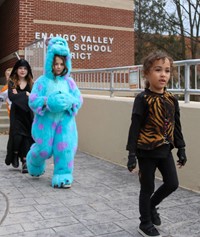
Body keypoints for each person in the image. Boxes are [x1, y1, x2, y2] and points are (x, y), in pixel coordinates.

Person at [126, 51, 187, 237]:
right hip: (145, 151)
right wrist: (131, 154)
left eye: (167, 71)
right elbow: (134, 127)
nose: (163, 75)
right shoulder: (142, 99)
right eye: (158, 70)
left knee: (172, 183)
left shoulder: (171, 100)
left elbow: (176, 126)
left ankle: (151, 207)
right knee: (147, 188)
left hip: (165, 150)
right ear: (146, 73)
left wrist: (181, 148)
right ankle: (144, 223)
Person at [26, 36, 83, 188]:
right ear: (50, 63)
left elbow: (78, 99)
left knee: (65, 148)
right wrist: (47, 102)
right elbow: (32, 100)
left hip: (65, 122)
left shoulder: (69, 82)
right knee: (44, 150)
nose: (58, 67)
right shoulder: (42, 81)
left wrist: (70, 102)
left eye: (61, 64)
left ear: (66, 64)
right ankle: (33, 160)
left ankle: (63, 174)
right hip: (45, 123)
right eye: (55, 63)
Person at [5, 59, 34, 174]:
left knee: (27, 137)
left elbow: (34, 97)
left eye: (25, 68)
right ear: (17, 70)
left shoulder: (31, 82)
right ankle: (15, 154)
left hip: (27, 114)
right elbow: (12, 97)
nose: (23, 71)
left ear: (28, 70)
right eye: (20, 68)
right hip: (16, 114)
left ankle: (25, 162)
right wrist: (26, 94)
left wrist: (21, 95)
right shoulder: (12, 82)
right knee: (17, 136)